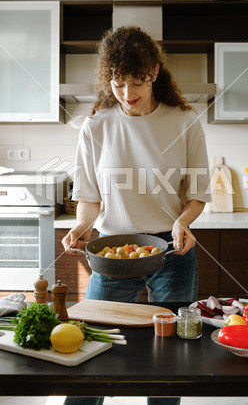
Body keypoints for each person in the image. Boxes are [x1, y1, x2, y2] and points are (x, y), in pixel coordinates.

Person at [62, 26, 211, 405]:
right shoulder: (96, 126)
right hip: (113, 252)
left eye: (136, 82)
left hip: (171, 250)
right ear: (107, 79)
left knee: (168, 362)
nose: (127, 95)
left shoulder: (184, 121)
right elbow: (90, 198)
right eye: (118, 83)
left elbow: (196, 195)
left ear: (154, 73)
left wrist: (183, 221)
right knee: (90, 352)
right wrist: (82, 225)